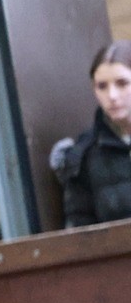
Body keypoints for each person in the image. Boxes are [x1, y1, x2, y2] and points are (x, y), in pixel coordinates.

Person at [59, 40, 131, 228]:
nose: (112, 96)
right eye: (102, 86)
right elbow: (80, 234)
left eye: (122, 83)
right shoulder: (85, 153)